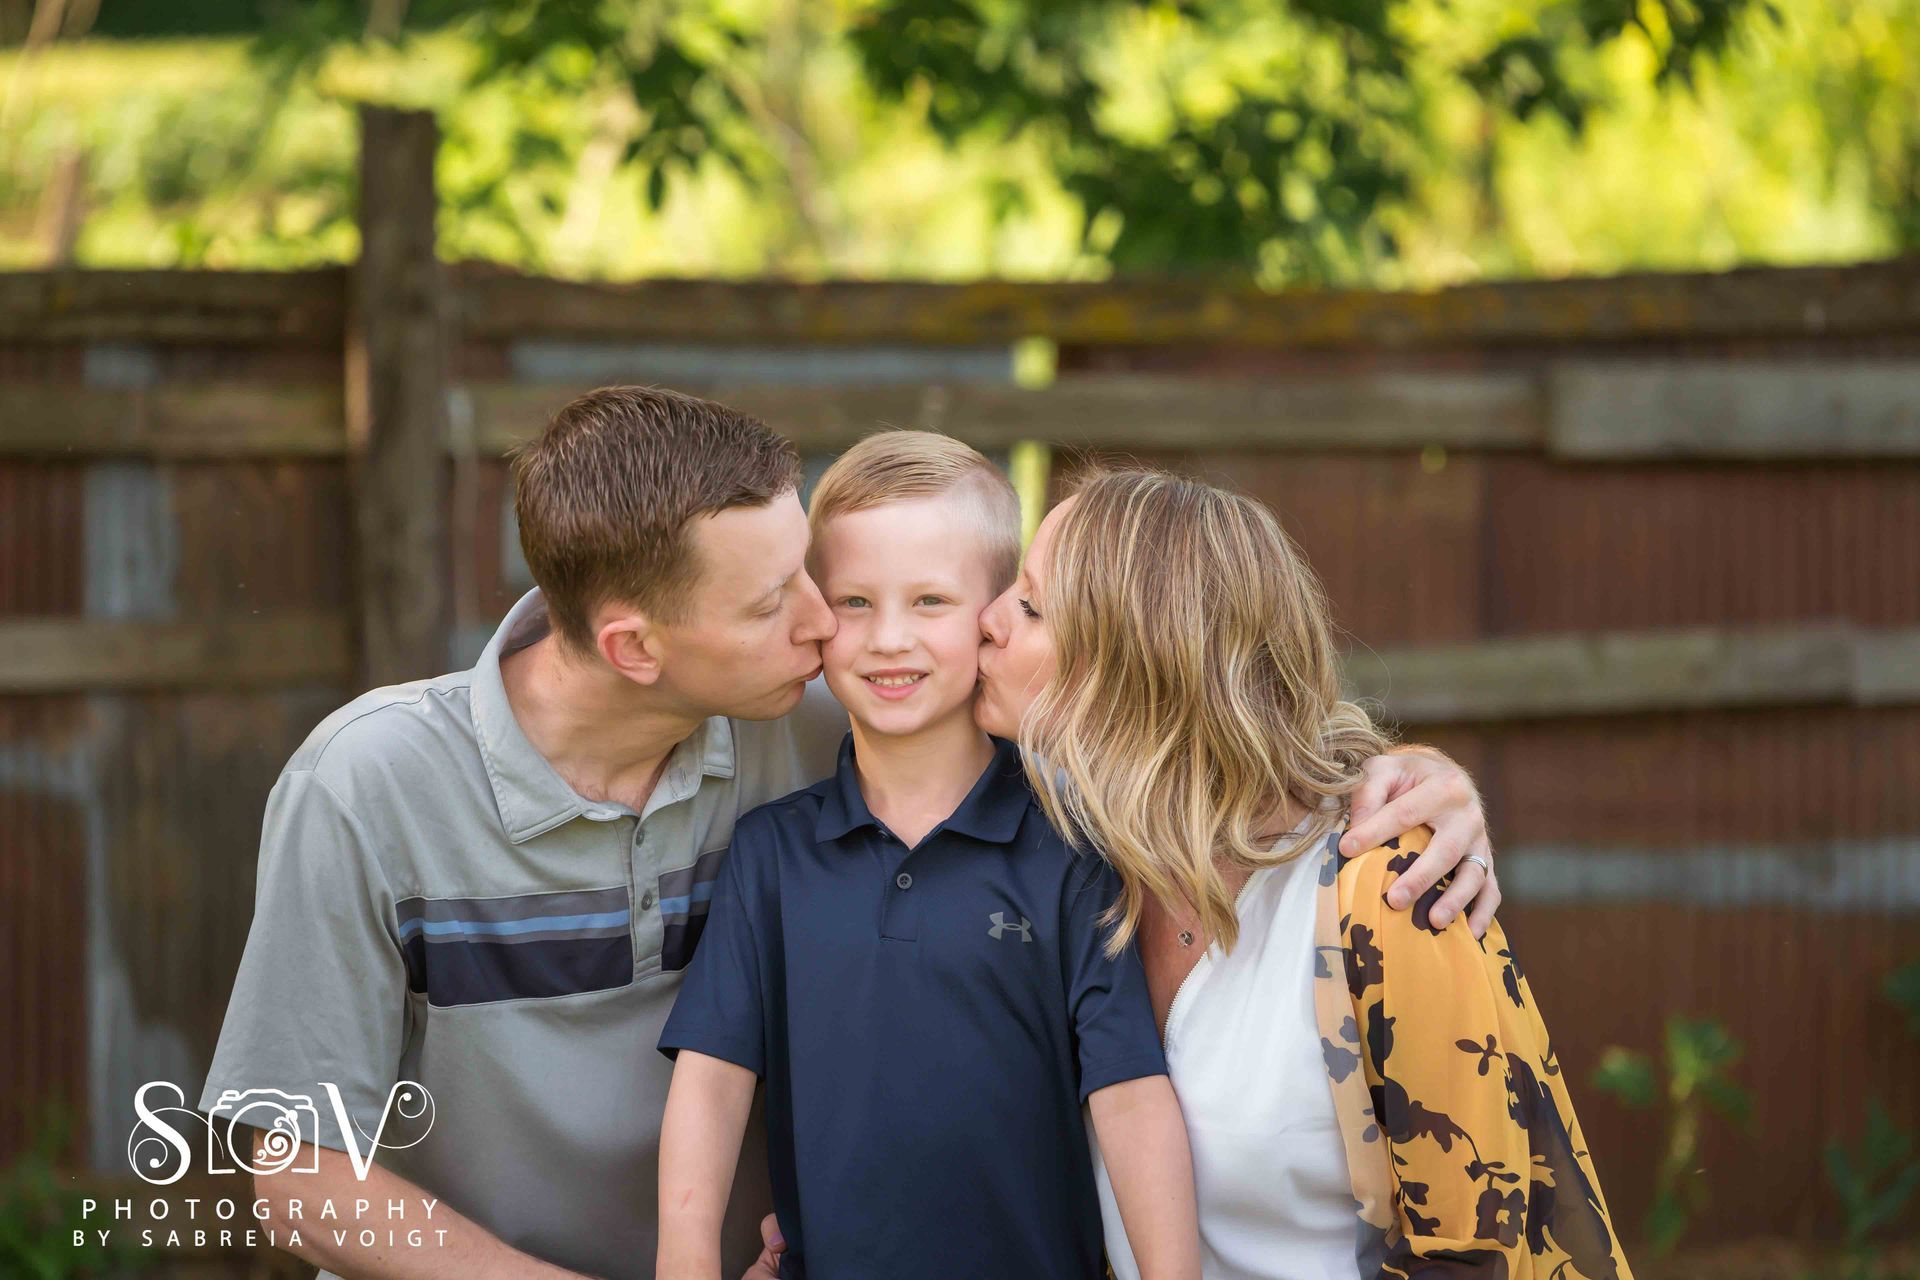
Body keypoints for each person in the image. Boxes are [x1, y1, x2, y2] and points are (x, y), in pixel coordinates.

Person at [198, 385, 1493, 1280]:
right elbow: (298, 1176)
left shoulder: (811, 731)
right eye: (786, 605)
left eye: (824, 579)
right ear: (637, 648)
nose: (840, 636)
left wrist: (1401, 776)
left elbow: (1162, 708)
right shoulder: (364, 790)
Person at [973, 467, 1632, 1280]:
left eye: (1032, 607)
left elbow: (1477, 1252)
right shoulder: (1059, 849)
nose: (987, 621)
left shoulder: (1381, 893)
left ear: (1139, 666)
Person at [655, 432, 1201, 1280]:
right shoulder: (772, 854)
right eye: (857, 602)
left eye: (930, 601)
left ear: (993, 618)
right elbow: (714, 1079)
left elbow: (1127, 1095)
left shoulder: (1073, 846)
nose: (889, 639)